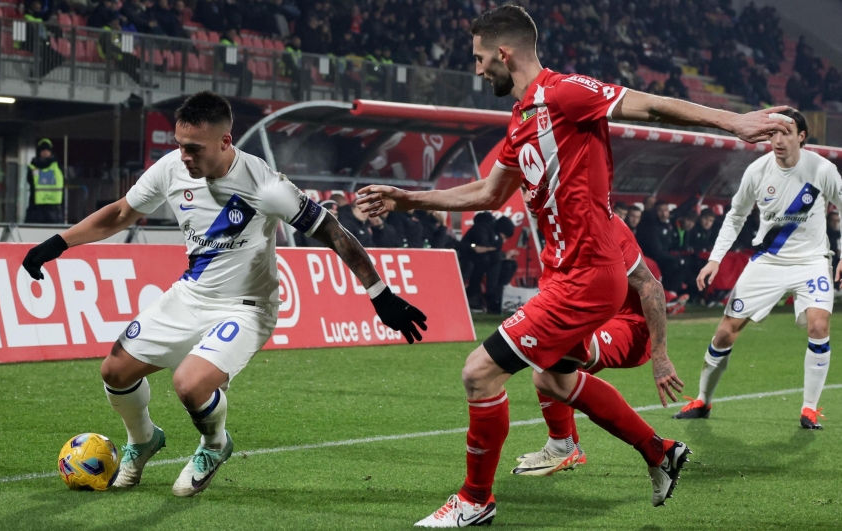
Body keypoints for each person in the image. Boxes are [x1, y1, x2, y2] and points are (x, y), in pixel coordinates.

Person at [356, 5, 788, 526]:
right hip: (566, 274)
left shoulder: (563, 93)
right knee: (555, 381)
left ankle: (475, 500)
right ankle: (659, 452)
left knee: (479, 372)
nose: (476, 69)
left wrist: (731, 121)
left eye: (478, 58)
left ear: (503, 53)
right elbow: (490, 193)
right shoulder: (520, 120)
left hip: (587, 276)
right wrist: (410, 200)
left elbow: (645, 106)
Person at [21, 92, 427, 498]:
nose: (184, 157)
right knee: (114, 372)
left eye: (194, 148)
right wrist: (58, 243)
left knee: (190, 384)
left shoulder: (265, 185)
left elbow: (335, 232)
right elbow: (121, 213)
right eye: (180, 146)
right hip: (191, 295)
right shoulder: (171, 168)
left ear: (225, 142)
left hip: (247, 307)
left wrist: (380, 294)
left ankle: (214, 445)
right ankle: (143, 440)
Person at [675, 109, 842, 430]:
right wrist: (715, 258)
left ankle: (809, 409)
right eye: (772, 134)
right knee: (725, 332)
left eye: (786, 133)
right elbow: (735, 216)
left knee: (819, 326)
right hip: (768, 261)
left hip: (812, 261)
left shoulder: (822, 169)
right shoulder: (757, 171)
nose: (777, 140)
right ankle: (702, 400)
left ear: (801, 137)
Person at [514, 213, 679, 476]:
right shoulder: (557, 226)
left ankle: (654, 448)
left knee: (554, 358)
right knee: (550, 364)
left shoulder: (603, 224)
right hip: (597, 317)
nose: (527, 195)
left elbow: (652, 287)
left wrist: (661, 357)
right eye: (523, 188)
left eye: (531, 186)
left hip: (631, 326)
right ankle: (566, 446)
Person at [24, 138, 65, 224]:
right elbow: (30, 181)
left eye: (47, 150)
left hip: (53, 208)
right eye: (43, 150)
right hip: (37, 208)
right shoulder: (33, 165)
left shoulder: (56, 164)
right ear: (39, 152)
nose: (45, 152)